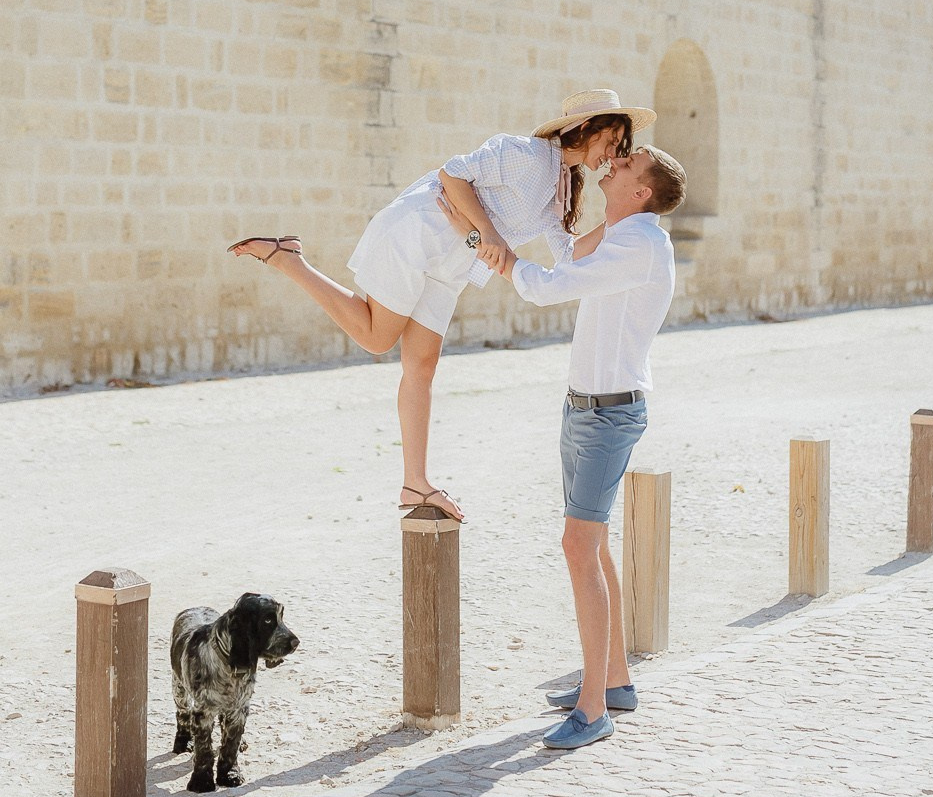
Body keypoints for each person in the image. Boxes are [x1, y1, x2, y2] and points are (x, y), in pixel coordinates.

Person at [228, 89, 655, 523]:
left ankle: (415, 481)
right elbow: (452, 174)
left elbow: (566, 254)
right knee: (377, 338)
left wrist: (628, 216)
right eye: (612, 141)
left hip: (451, 260)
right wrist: (487, 233)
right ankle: (289, 259)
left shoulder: (561, 187)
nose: (614, 154)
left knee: (423, 365)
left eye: (622, 148)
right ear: (585, 129)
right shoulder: (526, 153)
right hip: (421, 230)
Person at [440, 144, 686, 748]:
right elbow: (573, 255)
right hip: (585, 407)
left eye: (624, 168)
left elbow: (544, 287)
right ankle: (616, 681)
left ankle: (594, 709)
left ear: (642, 193)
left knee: (578, 546)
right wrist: (553, 213)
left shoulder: (641, 245)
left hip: (609, 415)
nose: (611, 167)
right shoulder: (626, 235)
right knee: (591, 543)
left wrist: (483, 244)